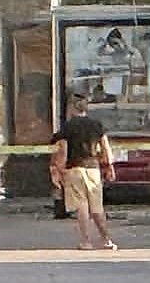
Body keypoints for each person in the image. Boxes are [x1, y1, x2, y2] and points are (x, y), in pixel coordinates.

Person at [50, 93, 117, 250]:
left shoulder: (68, 127)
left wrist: (58, 170)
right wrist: (109, 166)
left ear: (72, 108)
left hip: (75, 169)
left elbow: (62, 150)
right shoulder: (96, 125)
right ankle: (106, 240)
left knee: (82, 206)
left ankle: (86, 241)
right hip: (93, 169)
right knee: (97, 207)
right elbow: (106, 147)